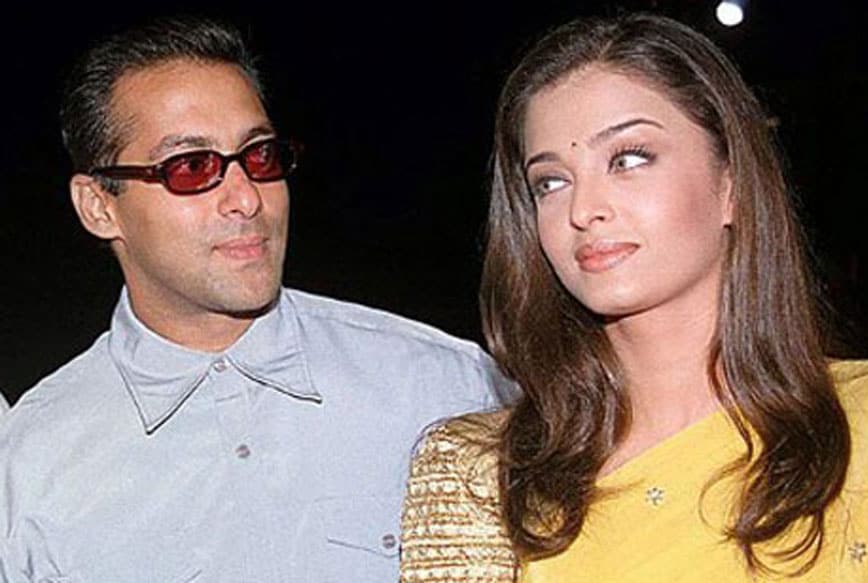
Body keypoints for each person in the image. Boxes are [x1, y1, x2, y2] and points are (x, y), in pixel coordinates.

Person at [0, 16, 510, 582]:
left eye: (260, 156)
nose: (245, 198)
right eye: (192, 167)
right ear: (99, 206)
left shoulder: (444, 389)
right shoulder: (30, 460)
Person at [401, 13, 868, 582]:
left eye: (628, 158)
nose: (583, 209)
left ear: (730, 185)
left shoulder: (864, 421)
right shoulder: (482, 473)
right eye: (550, 182)